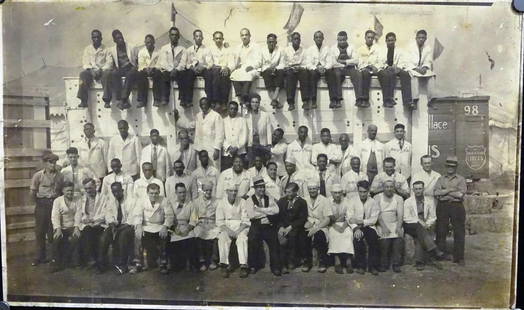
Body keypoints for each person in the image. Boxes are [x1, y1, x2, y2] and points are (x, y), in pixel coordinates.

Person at [132, 183, 174, 274]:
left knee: (165, 236)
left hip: (159, 226)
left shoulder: (164, 200)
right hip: (146, 226)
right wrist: (139, 226)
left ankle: (163, 263)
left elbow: (170, 216)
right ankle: (138, 263)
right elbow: (137, 214)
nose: (154, 195)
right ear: (147, 192)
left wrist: (165, 226)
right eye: (151, 193)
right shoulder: (141, 200)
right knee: (137, 235)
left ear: (159, 192)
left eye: (156, 193)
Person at [30, 152, 64, 266]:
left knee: (52, 231)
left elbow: (61, 191)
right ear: (45, 163)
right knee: (40, 231)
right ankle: (39, 257)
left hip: (54, 204)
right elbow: (32, 192)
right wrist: (38, 204)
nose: (53, 165)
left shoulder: (60, 175)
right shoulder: (38, 175)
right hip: (42, 204)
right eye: (50, 162)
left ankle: (54, 256)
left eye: (55, 162)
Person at [403, 181, 445, 270]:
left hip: (423, 227)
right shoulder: (408, 201)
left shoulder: (429, 201)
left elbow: (433, 216)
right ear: (413, 190)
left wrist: (427, 224)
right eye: (416, 189)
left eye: (420, 189)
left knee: (420, 235)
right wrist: (419, 221)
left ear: (423, 189)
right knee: (419, 228)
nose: (418, 191)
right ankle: (435, 250)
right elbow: (406, 218)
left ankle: (419, 262)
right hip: (410, 225)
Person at [433, 156, 467, 266]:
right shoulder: (441, 179)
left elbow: (460, 195)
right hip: (443, 206)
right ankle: (441, 254)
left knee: (459, 231)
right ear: (446, 167)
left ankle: (459, 257)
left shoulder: (461, 179)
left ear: (456, 167)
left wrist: (445, 192)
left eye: (452, 166)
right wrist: (451, 190)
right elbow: (436, 193)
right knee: (441, 230)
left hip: (457, 207)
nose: (450, 168)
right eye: (448, 166)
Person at [96, 182, 135, 274]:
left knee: (122, 236)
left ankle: (122, 265)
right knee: (104, 237)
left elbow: (132, 219)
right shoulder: (111, 201)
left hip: (128, 226)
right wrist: (112, 224)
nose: (116, 194)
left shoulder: (131, 200)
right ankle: (101, 264)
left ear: (122, 190)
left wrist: (119, 229)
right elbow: (108, 214)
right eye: (114, 192)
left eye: (118, 191)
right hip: (116, 225)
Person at [246, 177, 281, 276]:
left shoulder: (268, 198)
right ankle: (253, 266)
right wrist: (268, 212)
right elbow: (252, 215)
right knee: (252, 240)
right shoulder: (250, 200)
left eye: (263, 187)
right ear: (255, 188)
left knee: (274, 241)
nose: (262, 189)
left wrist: (260, 210)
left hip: (267, 226)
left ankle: (275, 267)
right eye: (259, 187)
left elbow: (276, 210)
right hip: (256, 226)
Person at [216, 182, 251, 278]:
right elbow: (219, 221)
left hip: (240, 226)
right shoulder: (221, 203)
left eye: (235, 191)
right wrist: (229, 231)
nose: (233, 193)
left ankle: (243, 266)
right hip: (226, 227)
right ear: (227, 192)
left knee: (242, 239)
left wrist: (238, 231)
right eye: (231, 191)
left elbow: (246, 220)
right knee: (223, 238)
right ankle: (224, 265)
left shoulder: (242, 202)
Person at [347, 180, 380, 275]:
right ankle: (360, 266)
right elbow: (349, 218)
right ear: (358, 191)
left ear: (368, 191)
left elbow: (373, 219)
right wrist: (356, 228)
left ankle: (372, 266)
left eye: (364, 192)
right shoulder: (352, 201)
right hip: (356, 227)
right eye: (360, 191)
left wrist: (361, 221)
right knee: (358, 239)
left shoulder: (373, 202)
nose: (362, 194)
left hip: (368, 226)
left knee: (373, 238)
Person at [276, 182, 308, 274]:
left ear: (296, 192)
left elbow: (303, 218)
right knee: (280, 237)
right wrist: (281, 227)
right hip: (283, 226)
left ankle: (292, 261)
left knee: (293, 236)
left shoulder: (302, 202)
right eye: (287, 192)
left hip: (296, 226)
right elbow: (278, 216)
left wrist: (291, 227)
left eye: (290, 192)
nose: (288, 194)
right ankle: (283, 264)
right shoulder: (281, 201)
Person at [166, 183, 199, 272]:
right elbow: (169, 217)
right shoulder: (171, 204)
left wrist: (188, 229)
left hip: (187, 227)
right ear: (176, 193)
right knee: (171, 240)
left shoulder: (191, 204)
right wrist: (175, 229)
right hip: (175, 227)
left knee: (191, 238)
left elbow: (194, 219)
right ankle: (173, 263)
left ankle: (191, 263)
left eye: (184, 192)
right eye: (180, 192)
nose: (182, 195)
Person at [325, 31, 361, 109]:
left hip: (349, 68)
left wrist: (345, 62)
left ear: (346, 39)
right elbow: (333, 62)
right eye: (340, 40)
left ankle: (359, 99)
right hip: (339, 68)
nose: (342, 42)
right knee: (336, 75)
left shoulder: (352, 47)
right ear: (337, 39)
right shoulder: (333, 48)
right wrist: (342, 65)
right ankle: (338, 99)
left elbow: (356, 60)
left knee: (357, 74)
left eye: (344, 40)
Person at [49, 182, 80, 272]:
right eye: (68, 191)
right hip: (61, 227)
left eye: (71, 190)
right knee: (56, 238)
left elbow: (78, 214)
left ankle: (73, 262)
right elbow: (55, 216)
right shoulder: (57, 201)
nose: (70, 193)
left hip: (73, 226)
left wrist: (77, 227)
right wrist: (58, 229)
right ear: (63, 191)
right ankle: (55, 263)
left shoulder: (77, 199)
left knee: (76, 237)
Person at [303, 180, 333, 273]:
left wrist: (316, 228)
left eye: (314, 189)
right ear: (308, 190)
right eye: (310, 189)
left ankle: (322, 262)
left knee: (320, 236)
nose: (312, 191)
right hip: (308, 224)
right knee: (303, 236)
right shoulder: (304, 200)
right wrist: (311, 223)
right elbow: (303, 215)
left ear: (318, 189)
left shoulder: (324, 200)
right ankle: (307, 261)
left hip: (321, 225)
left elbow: (327, 219)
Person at [376, 32, 412, 108]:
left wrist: (398, 68)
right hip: (384, 69)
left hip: (395, 69)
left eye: (392, 40)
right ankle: (387, 100)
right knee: (387, 74)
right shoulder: (381, 50)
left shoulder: (400, 50)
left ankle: (407, 101)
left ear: (395, 40)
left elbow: (403, 61)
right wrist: (386, 67)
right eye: (389, 40)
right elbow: (379, 61)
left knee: (405, 74)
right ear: (386, 41)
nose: (391, 42)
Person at [75, 178, 105, 268]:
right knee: (86, 231)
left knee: (89, 232)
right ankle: (90, 259)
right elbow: (79, 213)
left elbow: (105, 214)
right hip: (86, 225)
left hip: (99, 224)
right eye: (86, 189)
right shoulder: (82, 199)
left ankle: (92, 259)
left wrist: (92, 220)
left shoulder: (103, 198)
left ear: (95, 186)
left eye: (90, 188)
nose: (88, 191)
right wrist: (80, 222)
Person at [77, 29, 112, 108]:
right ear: (92, 38)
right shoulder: (87, 49)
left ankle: (107, 101)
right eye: (94, 37)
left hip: (102, 70)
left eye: (97, 37)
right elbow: (85, 62)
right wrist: (91, 69)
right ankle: (83, 100)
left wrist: (101, 69)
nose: (96, 39)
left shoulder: (106, 49)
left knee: (107, 75)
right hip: (91, 71)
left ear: (101, 38)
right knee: (82, 75)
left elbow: (109, 62)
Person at [178, 29, 212, 108]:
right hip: (192, 69)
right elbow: (186, 63)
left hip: (203, 69)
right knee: (188, 75)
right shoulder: (188, 50)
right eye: (197, 36)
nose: (199, 38)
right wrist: (192, 67)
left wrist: (203, 67)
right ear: (193, 38)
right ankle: (188, 100)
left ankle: (209, 98)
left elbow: (210, 63)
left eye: (200, 36)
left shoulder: (207, 50)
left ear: (202, 38)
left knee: (209, 75)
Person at [375, 180, 404, 273]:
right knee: (384, 240)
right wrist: (383, 227)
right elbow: (377, 214)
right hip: (381, 223)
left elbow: (400, 214)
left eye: (391, 187)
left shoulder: (399, 198)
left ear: (394, 188)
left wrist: (399, 226)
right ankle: (383, 264)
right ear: (383, 188)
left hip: (394, 222)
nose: (389, 189)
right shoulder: (377, 197)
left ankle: (396, 264)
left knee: (398, 239)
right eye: (387, 187)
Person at [192, 181, 220, 271]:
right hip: (201, 224)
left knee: (217, 233)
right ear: (202, 190)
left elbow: (219, 216)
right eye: (206, 190)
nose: (208, 192)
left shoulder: (216, 201)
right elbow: (194, 217)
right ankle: (202, 261)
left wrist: (214, 225)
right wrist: (198, 224)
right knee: (197, 232)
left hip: (212, 224)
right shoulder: (196, 202)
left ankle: (213, 260)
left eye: (210, 190)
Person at [107, 29, 139, 110]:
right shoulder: (112, 50)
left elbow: (139, 59)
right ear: (114, 40)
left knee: (130, 74)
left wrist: (136, 67)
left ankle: (123, 99)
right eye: (118, 38)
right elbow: (111, 63)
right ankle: (121, 99)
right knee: (114, 73)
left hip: (131, 68)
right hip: (120, 69)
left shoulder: (132, 47)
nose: (120, 40)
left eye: (121, 37)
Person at [327, 184, 354, 274]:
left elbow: (349, 216)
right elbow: (329, 217)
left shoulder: (347, 201)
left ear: (342, 193)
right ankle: (337, 261)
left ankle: (348, 261)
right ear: (331, 193)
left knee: (348, 234)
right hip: (332, 224)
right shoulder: (328, 202)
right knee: (333, 234)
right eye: (335, 193)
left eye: (339, 193)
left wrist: (343, 226)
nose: (337, 195)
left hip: (345, 224)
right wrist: (335, 224)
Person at [405, 30, 435, 109]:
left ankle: (430, 100)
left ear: (425, 39)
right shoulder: (410, 47)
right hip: (412, 68)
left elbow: (428, 60)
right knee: (414, 77)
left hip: (422, 68)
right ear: (416, 38)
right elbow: (407, 61)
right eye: (419, 37)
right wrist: (416, 69)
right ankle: (415, 100)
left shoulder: (428, 48)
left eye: (423, 38)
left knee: (432, 76)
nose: (421, 39)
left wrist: (425, 67)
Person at [156, 27, 186, 108]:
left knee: (184, 75)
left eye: (176, 35)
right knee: (164, 75)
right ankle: (165, 98)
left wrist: (176, 70)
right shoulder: (164, 48)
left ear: (179, 36)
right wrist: (171, 70)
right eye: (172, 35)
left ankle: (183, 99)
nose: (174, 37)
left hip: (178, 71)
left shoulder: (183, 49)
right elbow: (163, 62)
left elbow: (183, 63)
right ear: (169, 36)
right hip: (168, 71)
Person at [230, 28, 260, 106]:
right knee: (234, 75)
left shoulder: (256, 46)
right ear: (240, 37)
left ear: (250, 36)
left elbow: (259, 60)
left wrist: (252, 66)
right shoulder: (238, 47)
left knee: (248, 74)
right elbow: (235, 61)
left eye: (246, 35)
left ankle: (245, 95)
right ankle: (239, 94)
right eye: (242, 35)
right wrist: (234, 67)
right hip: (241, 68)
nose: (244, 37)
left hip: (252, 68)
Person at [194, 97, 224, 169]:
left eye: (205, 104)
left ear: (209, 104)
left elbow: (220, 134)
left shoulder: (216, 116)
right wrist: (178, 120)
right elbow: (195, 130)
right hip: (200, 148)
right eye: (201, 104)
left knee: (213, 169)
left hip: (212, 149)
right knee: (200, 169)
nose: (203, 106)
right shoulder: (198, 115)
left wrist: (217, 149)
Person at [282, 32, 309, 111]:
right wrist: (290, 67)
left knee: (305, 75)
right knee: (289, 77)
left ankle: (305, 101)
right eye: (295, 39)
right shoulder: (286, 50)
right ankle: (291, 103)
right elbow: (283, 63)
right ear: (291, 40)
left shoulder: (304, 50)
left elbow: (306, 63)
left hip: (300, 69)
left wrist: (300, 67)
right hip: (290, 69)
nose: (296, 41)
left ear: (300, 40)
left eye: (298, 39)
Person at [245, 93, 277, 162]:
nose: (255, 104)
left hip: (262, 144)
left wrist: (269, 144)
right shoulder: (246, 116)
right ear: (250, 103)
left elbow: (269, 130)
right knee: (251, 163)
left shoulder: (265, 115)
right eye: (253, 102)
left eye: (256, 102)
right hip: (251, 144)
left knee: (262, 163)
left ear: (259, 103)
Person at [206, 31, 233, 111]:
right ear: (213, 39)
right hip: (215, 70)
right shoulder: (210, 49)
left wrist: (227, 68)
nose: (218, 40)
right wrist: (214, 66)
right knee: (215, 73)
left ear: (223, 39)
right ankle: (216, 101)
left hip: (224, 70)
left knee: (225, 78)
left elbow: (232, 62)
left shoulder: (228, 49)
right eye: (216, 38)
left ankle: (224, 102)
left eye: (220, 38)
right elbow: (209, 61)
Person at [257, 33, 284, 109]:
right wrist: (268, 68)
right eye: (270, 42)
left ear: (276, 42)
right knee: (267, 74)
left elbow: (282, 63)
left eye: (273, 42)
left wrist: (275, 68)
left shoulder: (280, 50)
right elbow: (259, 63)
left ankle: (274, 99)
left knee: (281, 72)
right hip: (266, 70)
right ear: (267, 42)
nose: (271, 44)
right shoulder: (262, 50)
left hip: (277, 69)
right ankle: (275, 99)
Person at [304, 30, 329, 110]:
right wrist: (316, 68)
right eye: (317, 37)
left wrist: (324, 67)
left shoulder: (327, 48)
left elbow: (330, 62)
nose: (318, 39)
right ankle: (313, 100)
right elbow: (308, 64)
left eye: (320, 37)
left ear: (323, 38)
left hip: (325, 70)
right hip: (315, 70)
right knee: (312, 75)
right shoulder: (310, 50)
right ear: (314, 39)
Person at [355, 30, 379, 108]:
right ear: (365, 38)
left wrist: (375, 66)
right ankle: (364, 99)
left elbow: (381, 60)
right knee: (365, 73)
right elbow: (358, 61)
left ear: (374, 38)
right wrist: (366, 66)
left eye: (372, 37)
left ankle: (364, 99)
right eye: (368, 37)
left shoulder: (378, 49)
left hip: (375, 70)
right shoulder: (360, 49)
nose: (370, 39)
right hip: (365, 69)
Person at [136, 34, 161, 108]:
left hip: (154, 70)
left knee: (158, 74)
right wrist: (146, 69)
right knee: (140, 75)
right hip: (145, 71)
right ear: (145, 43)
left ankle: (157, 99)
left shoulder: (158, 52)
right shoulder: (141, 52)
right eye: (147, 43)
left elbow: (160, 63)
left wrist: (153, 68)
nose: (149, 44)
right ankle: (142, 100)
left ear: (153, 42)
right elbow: (141, 64)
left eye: (150, 42)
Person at [222, 101, 248, 170]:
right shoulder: (223, 121)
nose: (233, 110)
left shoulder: (242, 120)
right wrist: (229, 147)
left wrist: (237, 147)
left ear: (237, 110)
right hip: (227, 153)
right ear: (228, 109)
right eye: (231, 108)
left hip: (240, 152)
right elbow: (221, 136)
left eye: (235, 109)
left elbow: (244, 136)